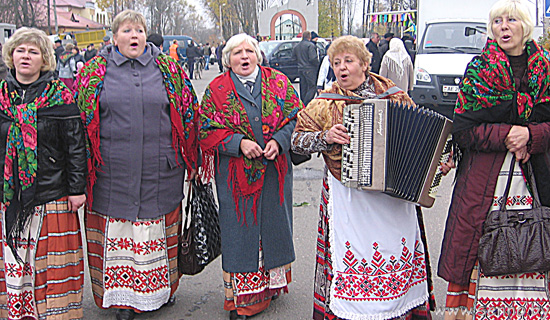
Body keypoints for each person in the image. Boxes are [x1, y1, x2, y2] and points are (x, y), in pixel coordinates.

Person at [291, 35, 433, 320]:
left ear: (365, 64)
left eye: (348, 61)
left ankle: (399, 308)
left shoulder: (392, 94)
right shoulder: (323, 102)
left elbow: (422, 135)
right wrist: (324, 137)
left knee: (395, 253)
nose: (341, 68)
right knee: (352, 256)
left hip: (393, 198)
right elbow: (296, 142)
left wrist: (435, 162)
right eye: (336, 63)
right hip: (348, 196)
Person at [74, 10, 199, 320]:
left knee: (157, 233)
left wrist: (192, 157)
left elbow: (189, 114)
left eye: (139, 30)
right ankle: (123, 299)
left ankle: (164, 290)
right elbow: (78, 122)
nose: (134, 36)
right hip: (111, 173)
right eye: (127, 30)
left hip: (162, 170)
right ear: (114, 37)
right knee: (121, 235)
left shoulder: (170, 69)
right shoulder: (93, 73)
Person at [438, 0, 550, 318]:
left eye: (511, 19)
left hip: (537, 178)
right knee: (483, 250)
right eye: (498, 20)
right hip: (486, 183)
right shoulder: (479, 71)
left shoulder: (546, 70)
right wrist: (507, 135)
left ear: (525, 26)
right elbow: (464, 130)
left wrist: (532, 136)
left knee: (538, 244)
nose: (503, 26)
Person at [199, 33, 303, 320]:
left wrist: (280, 140)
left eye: (249, 51)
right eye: (236, 53)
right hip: (234, 176)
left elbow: (297, 117)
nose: (244, 57)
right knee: (240, 231)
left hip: (274, 172)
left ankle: (270, 287)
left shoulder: (279, 83)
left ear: (258, 55)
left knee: (272, 226)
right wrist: (238, 144)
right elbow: (205, 129)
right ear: (227, 59)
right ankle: (243, 299)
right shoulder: (216, 89)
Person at [0, 27, 87, 319]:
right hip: (9, 195)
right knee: (17, 262)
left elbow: (76, 146)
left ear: (45, 59)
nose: (26, 56)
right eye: (21, 50)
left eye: (33, 51)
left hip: (52, 194)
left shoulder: (60, 96)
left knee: (49, 263)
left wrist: (77, 189)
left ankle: (56, 313)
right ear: (11, 55)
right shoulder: (0, 96)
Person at [292, 31, 319, 106]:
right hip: (310, 69)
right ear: (309, 37)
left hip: (300, 69)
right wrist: (317, 65)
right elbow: (313, 58)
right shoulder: (310, 46)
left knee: (303, 88)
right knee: (312, 87)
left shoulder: (297, 46)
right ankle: (306, 103)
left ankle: (302, 104)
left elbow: (293, 58)